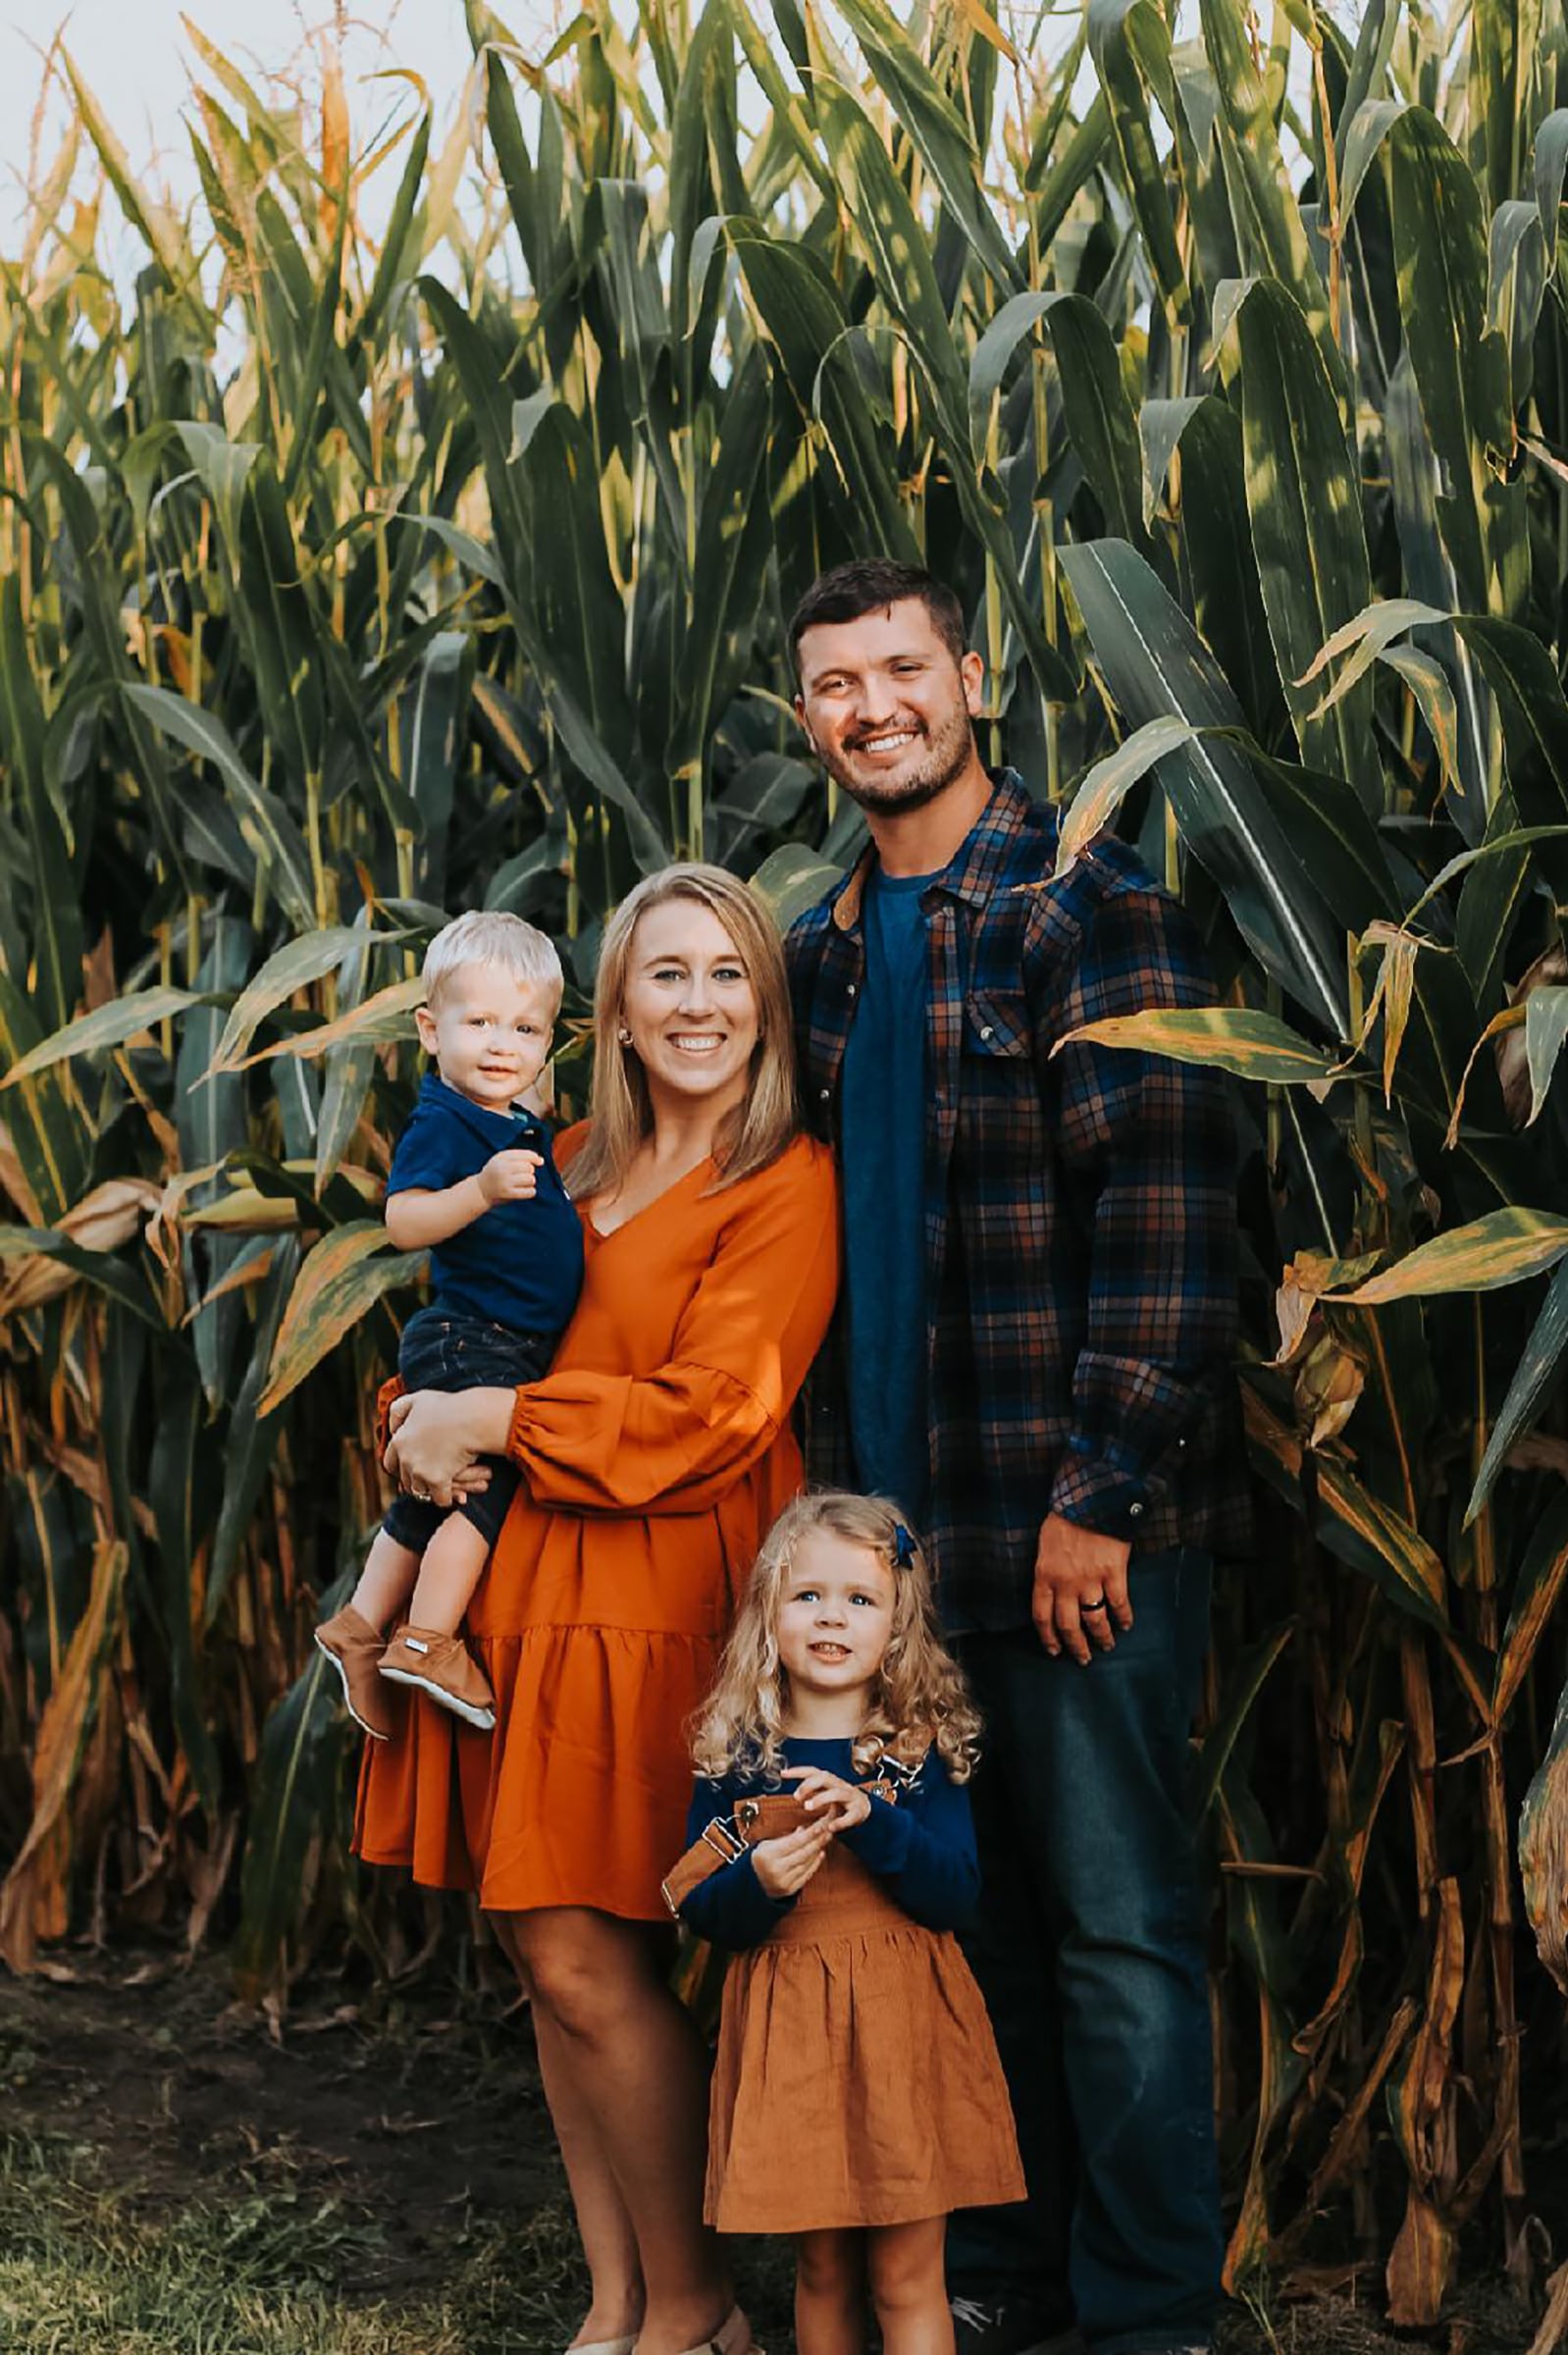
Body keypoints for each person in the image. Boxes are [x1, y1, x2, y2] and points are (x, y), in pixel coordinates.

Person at [785, 560, 1249, 2355]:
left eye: (903, 668)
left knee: (1120, 1927)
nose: (873, 706)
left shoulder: (1087, 909)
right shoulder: (821, 956)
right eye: (837, 685)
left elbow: (1166, 1209)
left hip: (1069, 1530)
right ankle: (1010, 2276)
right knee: (968, 1925)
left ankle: (1150, 2317)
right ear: (810, 722)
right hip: (900, 1552)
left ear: (974, 679)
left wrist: (1097, 1494)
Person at [354, 864, 839, 2355]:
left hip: (657, 1589)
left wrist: (489, 1421)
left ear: (765, 1004)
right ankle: (619, 2299)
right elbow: (458, 1340)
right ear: (612, 1013)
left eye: (728, 974)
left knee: (590, 1952)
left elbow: (716, 1411)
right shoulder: (552, 1160)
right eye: (666, 975)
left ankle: (698, 2313)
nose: (699, 1004)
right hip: (520, 1598)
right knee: (543, 1952)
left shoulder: (782, 1182)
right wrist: (414, 1418)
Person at [672, 1491, 1024, 2355]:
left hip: (905, 2030)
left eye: (860, 1600)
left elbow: (956, 1894)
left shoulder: (915, 1750)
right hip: (792, 2038)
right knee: (824, 2270)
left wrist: (876, 1820)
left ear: (898, 1627)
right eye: (809, 1596)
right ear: (770, 1616)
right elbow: (702, 1908)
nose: (833, 1617)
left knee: (907, 2274)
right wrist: (758, 1880)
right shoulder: (740, 1756)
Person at [316, 911, 583, 1736]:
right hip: (478, 1337)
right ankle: (429, 1639)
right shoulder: (446, 1123)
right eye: (481, 1022)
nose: (503, 1043)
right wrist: (481, 1193)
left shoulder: (511, 1119)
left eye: (526, 1026)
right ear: (431, 1030)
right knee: (488, 1491)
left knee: (432, 1502)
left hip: (490, 1337)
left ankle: (361, 1624)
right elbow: (402, 1223)